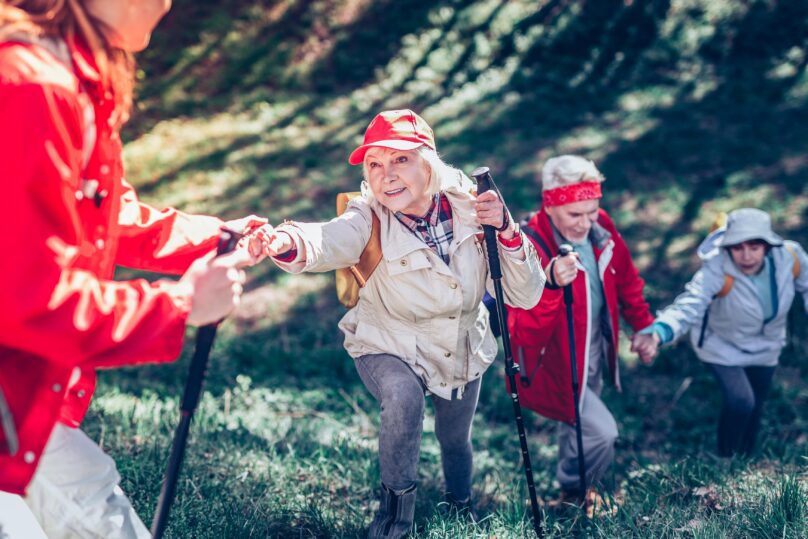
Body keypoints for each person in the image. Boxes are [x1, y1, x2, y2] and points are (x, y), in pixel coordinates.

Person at [0, 1, 266, 537]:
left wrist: (214, 239)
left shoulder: (68, 77)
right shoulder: (35, 87)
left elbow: (103, 213)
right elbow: (32, 300)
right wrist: (181, 304)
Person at [254, 109, 544, 538]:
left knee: (454, 437)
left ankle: (459, 505)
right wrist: (286, 240)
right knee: (404, 396)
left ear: (428, 161)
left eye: (399, 160)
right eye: (374, 164)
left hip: (461, 342)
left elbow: (526, 293)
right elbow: (330, 239)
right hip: (387, 339)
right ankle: (394, 522)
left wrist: (505, 229)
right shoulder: (366, 216)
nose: (385, 175)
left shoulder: (471, 206)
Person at [506, 155, 655, 514]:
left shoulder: (601, 226)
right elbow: (521, 332)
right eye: (575, 215)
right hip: (553, 365)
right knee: (602, 432)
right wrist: (553, 284)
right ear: (551, 205)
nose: (586, 223)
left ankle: (571, 488)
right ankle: (576, 488)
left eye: (591, 211)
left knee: (577, 427)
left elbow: (627, 280)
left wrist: (643, 326)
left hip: (593, 353)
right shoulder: (529, 246)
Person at [632, 208, 808, 457]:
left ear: (768, 246)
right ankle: (725, 459)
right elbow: (689, 304)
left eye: (754, 247)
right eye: (738, 248)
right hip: (722, 347)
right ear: (727, 247)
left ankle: (745, 462)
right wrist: (659, 332)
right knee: (741, 401)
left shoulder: (790, 258)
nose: (746, 256)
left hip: (767, 346)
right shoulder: (717, 267)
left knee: (756, 405)